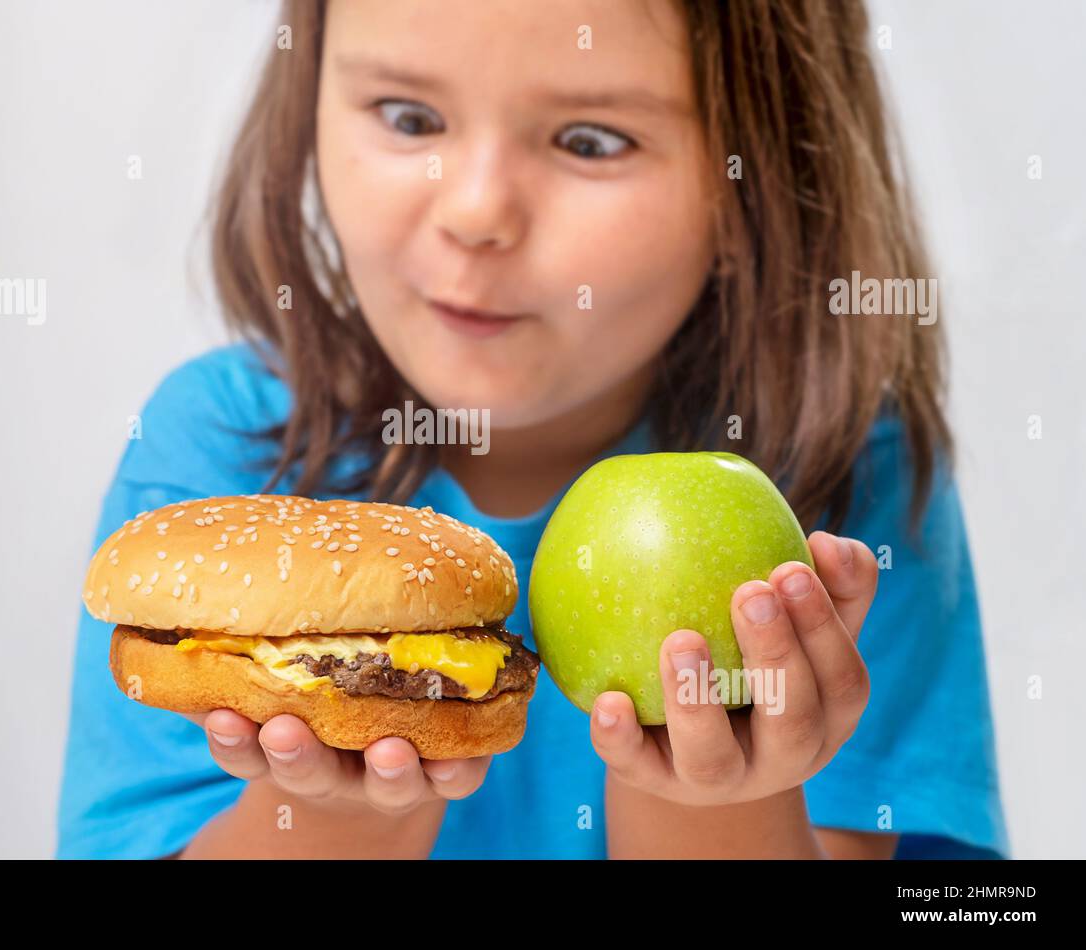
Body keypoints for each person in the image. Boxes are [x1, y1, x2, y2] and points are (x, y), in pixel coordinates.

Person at [57, 0, 1007, 859]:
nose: (476, 212)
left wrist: (709, 792)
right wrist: (345, 804)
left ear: (755, 179)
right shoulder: (216, 456)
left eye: (590, 140)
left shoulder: (838, 487)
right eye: (409, 118)